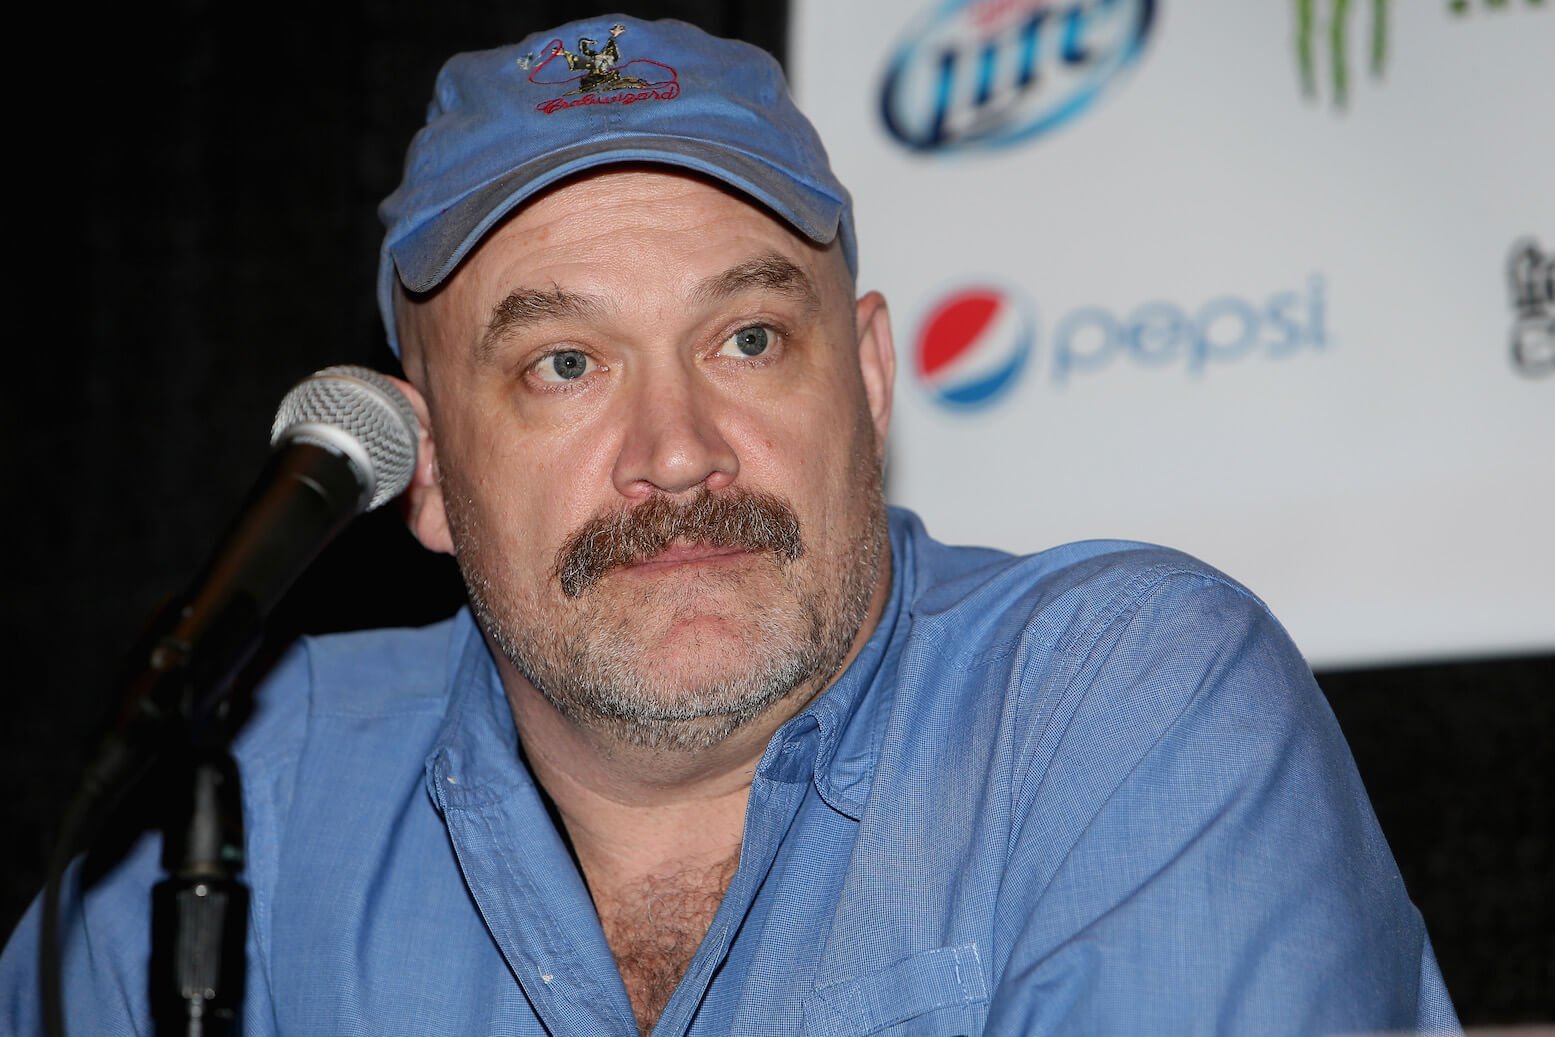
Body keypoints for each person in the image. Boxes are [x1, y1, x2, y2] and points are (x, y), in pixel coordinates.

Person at [1, 14, 1459, 1037]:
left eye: (748, 339)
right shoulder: (249, 796)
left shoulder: (1117, 703)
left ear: (869, 380)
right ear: (427, 469)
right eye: (564, 364)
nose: (679, 452)